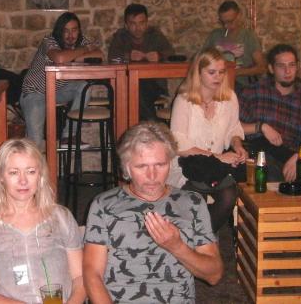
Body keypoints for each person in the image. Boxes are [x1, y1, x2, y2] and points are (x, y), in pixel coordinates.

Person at [83, 122, 223, 303]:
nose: (152, 176)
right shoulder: (104, 205)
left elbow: (214, 275)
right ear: (126, 168)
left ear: (170, 163)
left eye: (160, 165)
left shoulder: (192, 203)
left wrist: (177, 247)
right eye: (142, 167)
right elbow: (92, 274)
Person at [0, 139, 85, 304]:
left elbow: (80, 277)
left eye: (30, 171)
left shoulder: (61, 218)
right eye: (13, 172)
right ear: (0, 177)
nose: (23, 181)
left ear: (40, 175)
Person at [168, 48, 247, 233]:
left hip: (215, 168)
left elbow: (234, 128)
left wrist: (237, 145)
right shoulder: (184, 100)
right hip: (186, 166)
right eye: (211, 72)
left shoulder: (229, 98)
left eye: (221, 72)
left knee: (229, 196)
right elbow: (178, 144)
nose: (218, 77)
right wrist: (218, 157)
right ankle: (202, 240)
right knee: (197, 200)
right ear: (198, 73)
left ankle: (203, 239)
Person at [239, 44, 301, 181]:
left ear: (297, 67)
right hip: (259, 153)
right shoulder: (254, 92)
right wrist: (261, 127)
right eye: (281, 66)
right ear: (271, 68)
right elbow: (233, 127)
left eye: (291, 65)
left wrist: (299, 156)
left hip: (291, 157)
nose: (287, 71)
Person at [21, 12, 103, 147]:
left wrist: (73, 57)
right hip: (35, 92)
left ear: (79, 30)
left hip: (58, 90)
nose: (71, 35)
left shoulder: (81, 41)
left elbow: (99, 55)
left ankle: (69, 136)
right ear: (60, 31)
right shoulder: (49, 40)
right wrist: (85, 51)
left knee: (84, 87)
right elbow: (59, 58)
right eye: (66, 31)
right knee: (35, 143)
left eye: (74, 30)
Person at [108, 3, 174, 121]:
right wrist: (127, 56)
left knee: (138, 89)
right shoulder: (121, 36)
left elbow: (172, 54)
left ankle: (150, 125)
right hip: (126, 84)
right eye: (133, 24)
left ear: (147, 23)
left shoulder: (155, 35)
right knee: (134, 89)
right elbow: (112, 58)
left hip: (154, 84)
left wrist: (159, 55)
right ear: (126, 25)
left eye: (141, 23)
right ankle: (154, 124)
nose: (138, 28)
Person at [202, 0, 265, 89]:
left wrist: (236, 72)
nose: (226, 26)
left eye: (230, 21)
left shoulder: (248, 36)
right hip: (218, 84)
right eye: (223, 22)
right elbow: (201, 60)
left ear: (239, 16)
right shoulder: (215, 35)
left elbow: (261, 67)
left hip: (241, 85)